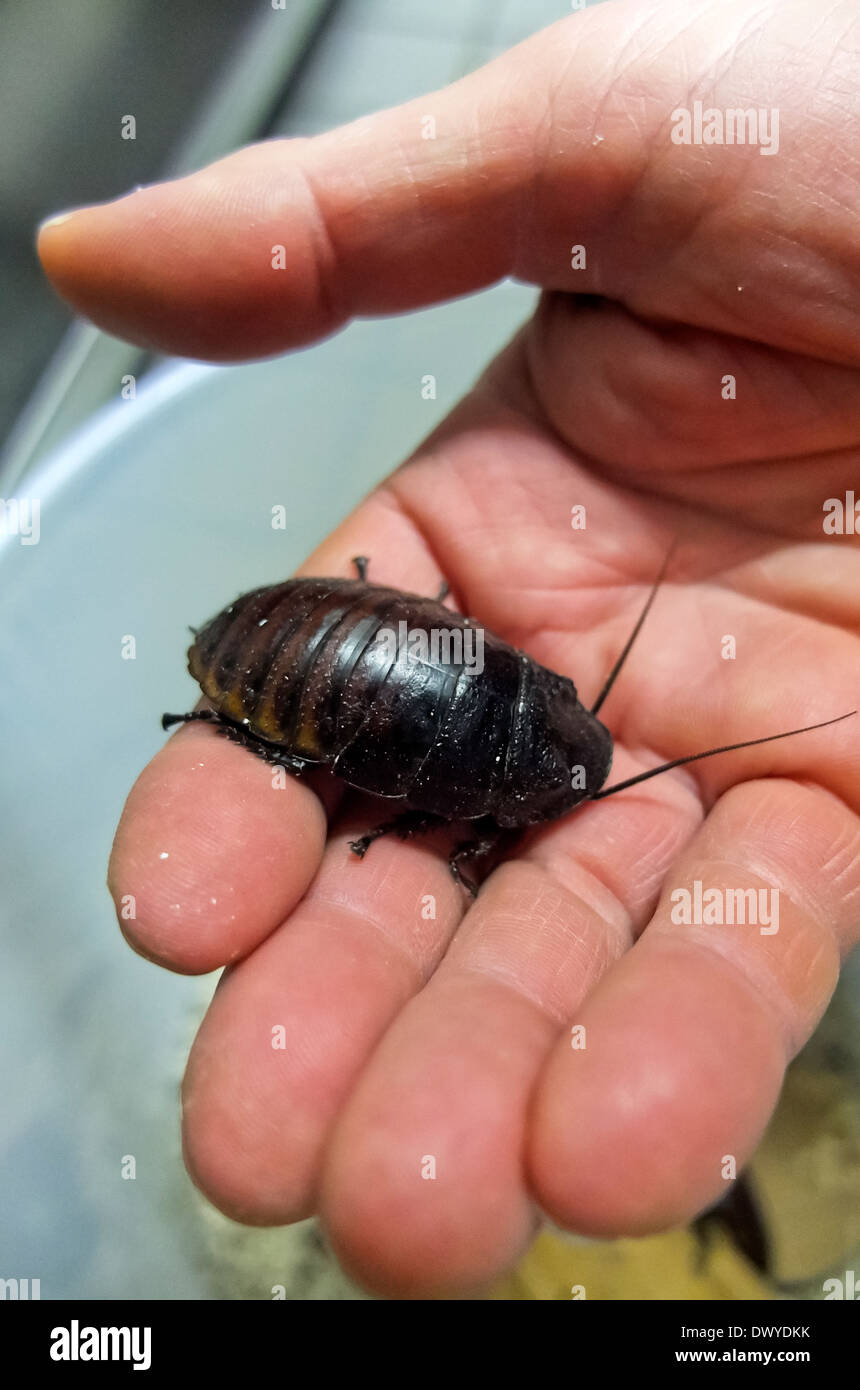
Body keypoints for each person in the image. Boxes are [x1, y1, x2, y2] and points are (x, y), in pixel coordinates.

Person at [38, 0, 860, 1298]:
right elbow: (430, 792)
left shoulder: (508, 707)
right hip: (302, 659)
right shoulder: (473, 777)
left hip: (354, 651)